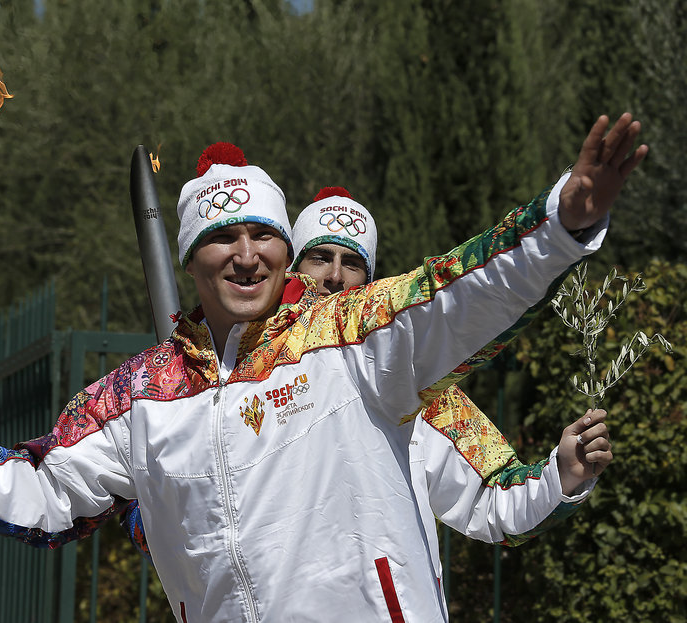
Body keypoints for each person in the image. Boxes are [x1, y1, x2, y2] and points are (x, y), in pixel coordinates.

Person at [0, 114, 645, 622]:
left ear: (281, 248)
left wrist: (564, 223)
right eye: (221, 236)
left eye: (262, 234)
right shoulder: (138, 395)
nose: (245, 253)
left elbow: (457, 288)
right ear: (191, 257)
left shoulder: (347, 339)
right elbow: (43, 491)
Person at [122, 186, 614, 580]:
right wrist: (164, 513)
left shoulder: (422, 393)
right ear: (291, 267)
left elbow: (495, 502)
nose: (335, 277)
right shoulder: (210, 389)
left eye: (352, 262)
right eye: (320, 258)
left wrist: (561, 478)